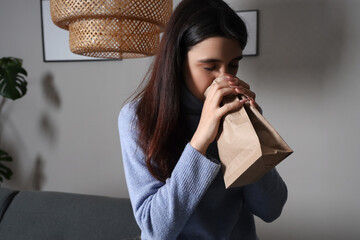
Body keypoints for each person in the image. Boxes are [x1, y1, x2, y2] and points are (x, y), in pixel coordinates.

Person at [118, 0, 287, 239]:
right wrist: (201, 140)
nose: (225, 78)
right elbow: (156, 230)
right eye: (210, 66)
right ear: (177, 61)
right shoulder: (137, 117)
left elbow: (271, 209)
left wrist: (251, 135)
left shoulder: (234, 109)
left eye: (234, 65)